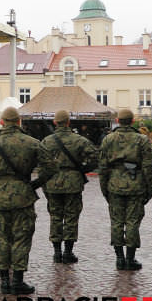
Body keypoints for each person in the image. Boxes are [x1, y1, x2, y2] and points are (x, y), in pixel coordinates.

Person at [0, 106, 57, 295]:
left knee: (2, 238)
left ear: (2, 122)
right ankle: (17, 280)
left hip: (0, 195)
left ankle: (4, 281)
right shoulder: (32, 143)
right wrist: (34, 184)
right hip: (23, 195)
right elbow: (50, 168)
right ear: (18, 122)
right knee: (21, 238)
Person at [98, 109, 152, 271]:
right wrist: (149, 189)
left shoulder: (108, 139)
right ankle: (130, 258)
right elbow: (147, 167)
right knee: (132, 222)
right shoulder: (141, 139)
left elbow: (103, 167)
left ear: (117, 120)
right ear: (132, 121)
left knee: (116, 222)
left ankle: (119, 258)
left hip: (114, 184)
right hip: (135, 185)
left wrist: (105, 190)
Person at [42, 109, 98, 264]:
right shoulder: (79, 140)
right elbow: (95, 157)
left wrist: (44, 183)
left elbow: (40, 163)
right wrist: (82, 169)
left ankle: (56, 252)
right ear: (68, 122)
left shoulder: (46, 141)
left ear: (55, 122)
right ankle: (68, 252)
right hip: (73, 182)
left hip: (52, 182)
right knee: (71, 217)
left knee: (55, 216)